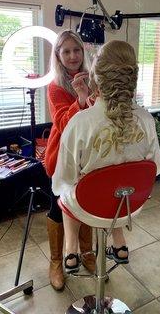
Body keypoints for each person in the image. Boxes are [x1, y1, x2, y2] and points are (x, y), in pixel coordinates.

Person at [52, 40, 160, 273]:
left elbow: (64, 178)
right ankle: (119, 241)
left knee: (63, 190)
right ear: (132, 78)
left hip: (89, 207)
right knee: (115, 186)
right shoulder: (146, 119)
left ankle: (70, 248)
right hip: (129, 205)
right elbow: (156, 169)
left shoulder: (80, 123)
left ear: (96, 77)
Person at [44, 29, 95, 291]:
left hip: (89, 156)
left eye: (77, 50)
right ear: (58, 55)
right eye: (67, 51)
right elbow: (64, 123)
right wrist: (81, 99)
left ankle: (86, 253)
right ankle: (56, 261)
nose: (73, 56)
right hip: (63, 156)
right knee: (59, 207)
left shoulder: (92, 79)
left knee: (86, 203)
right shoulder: (55, 87)